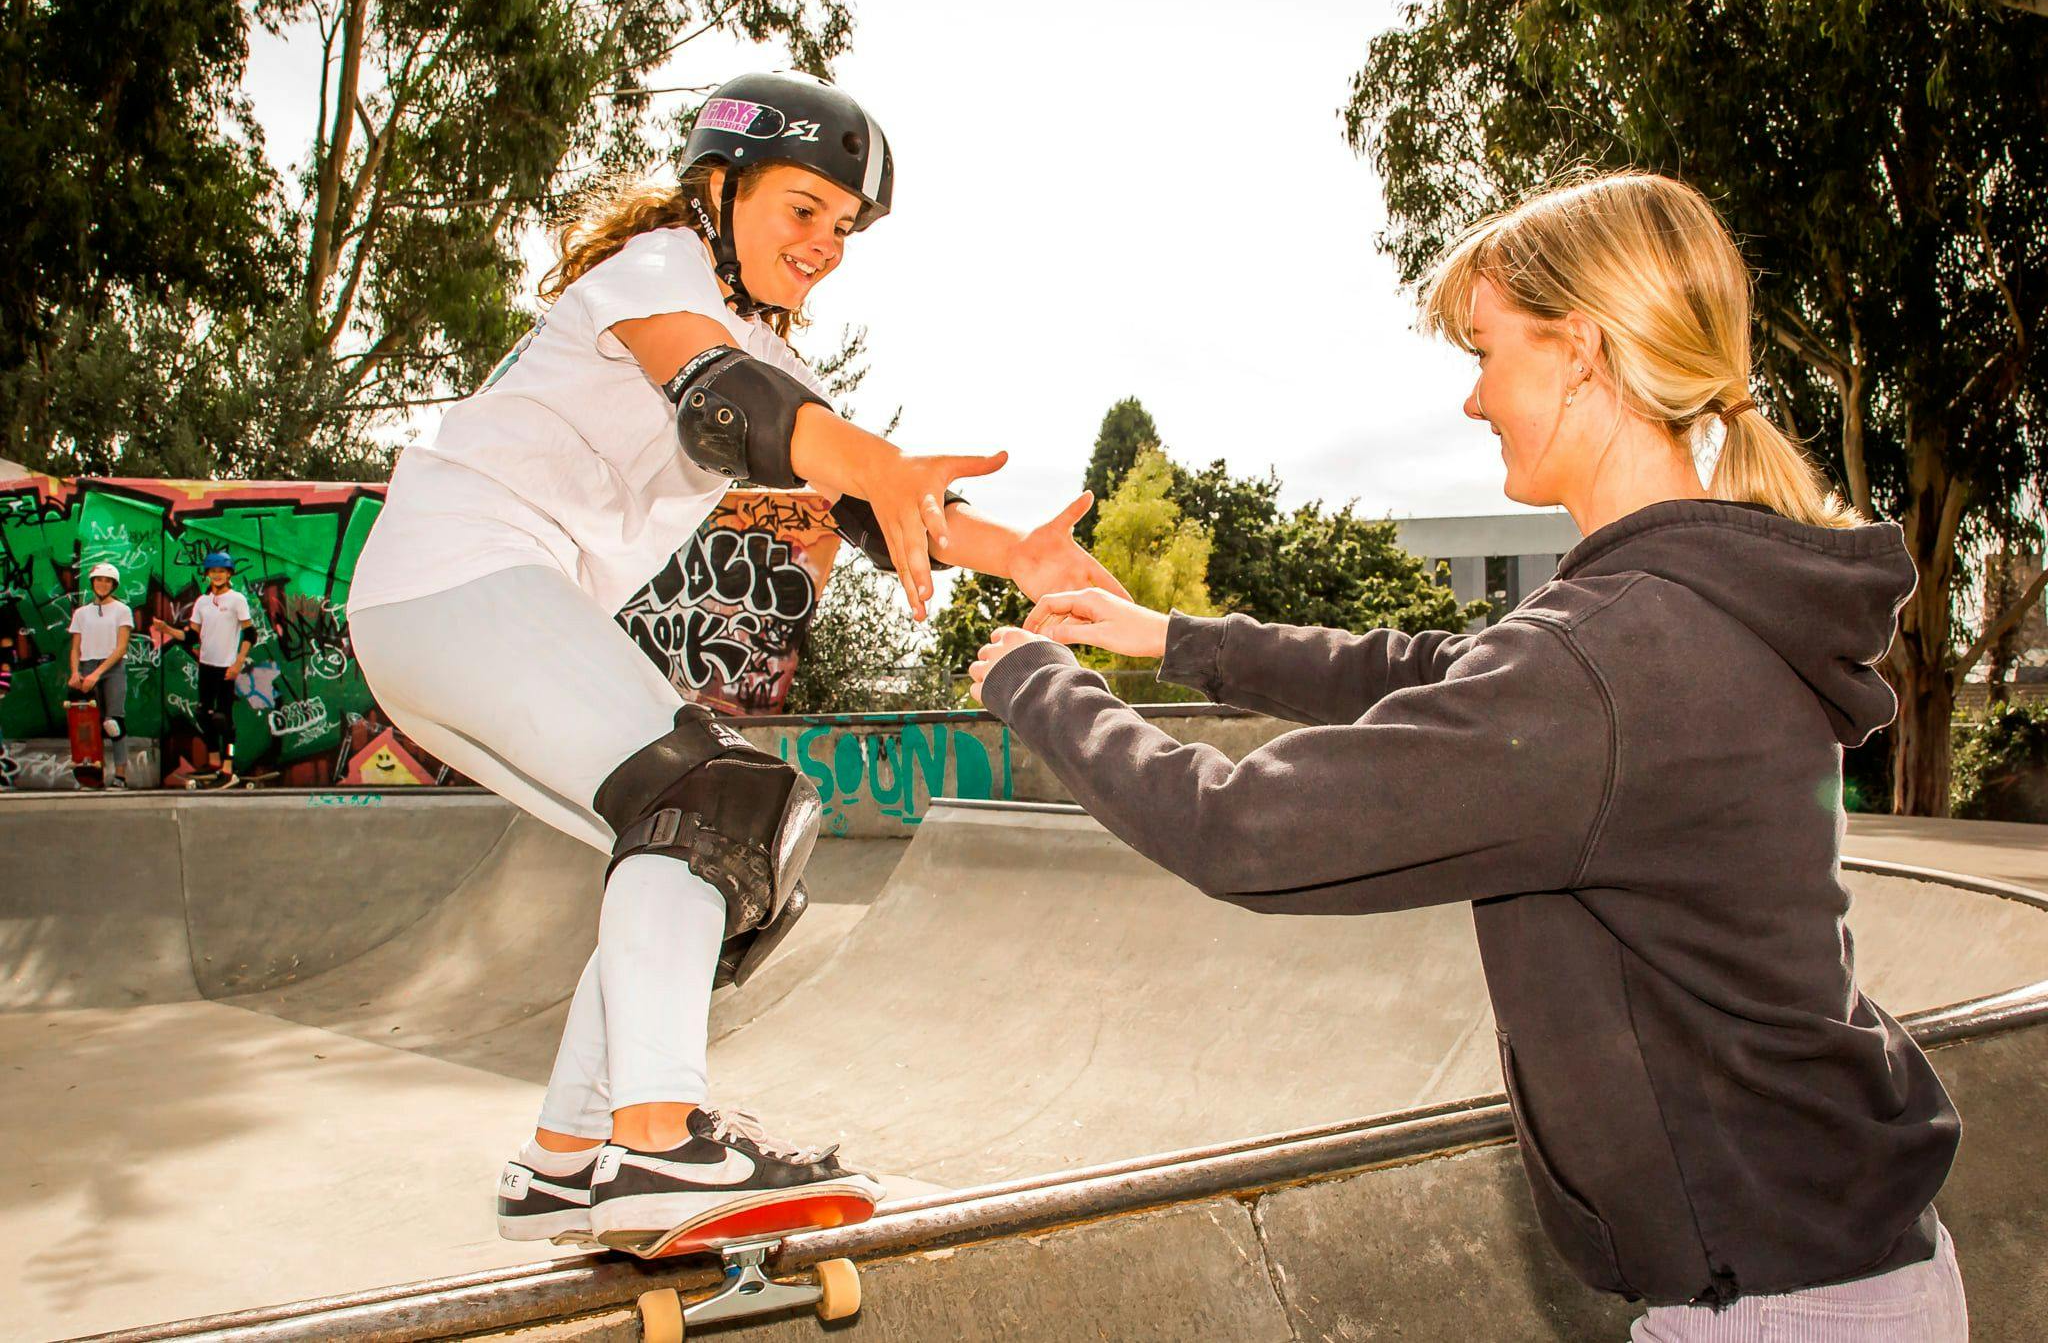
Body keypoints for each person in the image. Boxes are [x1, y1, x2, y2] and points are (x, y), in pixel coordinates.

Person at [970, 173, 1967, 1339]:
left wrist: (1030, 683)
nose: (1472, 399)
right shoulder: (1689, 606)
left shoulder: (1606, 661)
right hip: (1834, 1264)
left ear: (1580, 351)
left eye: (1486, 353)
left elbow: (1245, 829)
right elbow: (1431, 671)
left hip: (1769, 1306)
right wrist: (1169, 639)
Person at [345, 72, 1125, 1259]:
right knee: (706, 796)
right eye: (803, 210)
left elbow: (851, 494)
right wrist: (861, 457)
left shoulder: (756, 342)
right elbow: (726, 410)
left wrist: (1009, 549)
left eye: (844, 230)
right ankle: (659, 1144)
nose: (826, 248)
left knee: (735, 840)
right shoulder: (659, 266)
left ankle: (569, 1155)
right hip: (458, 575)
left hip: (464, 614)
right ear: (719, 185)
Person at [156, 551, 255, 789]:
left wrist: (238, 663)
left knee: (224, 719)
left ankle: (228, 767)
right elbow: (191, 636)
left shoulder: (237, 600)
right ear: (208, 574)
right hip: (206, 666)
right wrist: (168, 630)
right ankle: (213, 763)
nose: (217, 575)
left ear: (229, 573)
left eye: (222, 571)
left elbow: (250, 633)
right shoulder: (202, 602)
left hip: (226, 667)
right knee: (204, 714)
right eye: (213, 572)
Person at [67, 563, 134, 789]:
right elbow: (76, 647)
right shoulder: (81, 613)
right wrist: (76, 673)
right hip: (87, 666)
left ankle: (121, 776)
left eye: (107, 581)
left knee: (113, 722)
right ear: (93, 583)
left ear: (113, 585)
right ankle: (91, 773)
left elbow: (121, 647)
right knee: (87, 724)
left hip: (111, 667)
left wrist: (97, 673)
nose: (102, 584)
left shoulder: (122, 610)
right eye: (99, 580)